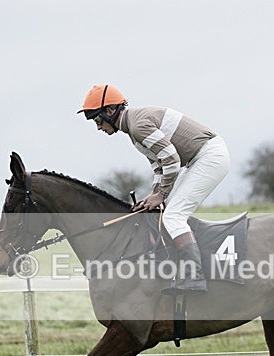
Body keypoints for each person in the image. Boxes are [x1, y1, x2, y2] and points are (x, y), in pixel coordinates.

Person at [78, 84, 231, 294]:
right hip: (197, 159)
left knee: (173, 216)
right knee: (163, 210)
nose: (98, 127)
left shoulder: (138, 126)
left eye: (97, 119)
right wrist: (154, 195)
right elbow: (159, 168)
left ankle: (195, 276)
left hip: (209, 157)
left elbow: (172, 160)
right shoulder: (133, 129)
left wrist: (161, 194)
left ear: (111, 111)